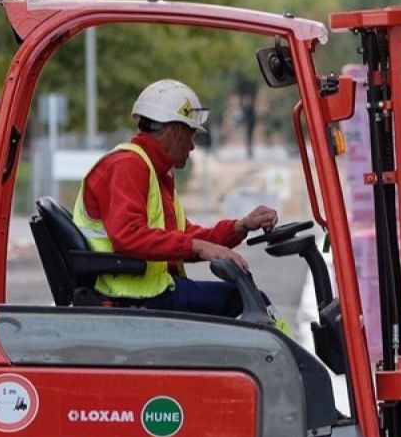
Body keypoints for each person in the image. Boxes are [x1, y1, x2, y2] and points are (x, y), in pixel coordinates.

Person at [72, 79, 282, 323]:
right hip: (136, 296)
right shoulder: (128, 166)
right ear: (175, 131)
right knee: (252, 300)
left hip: (151, 291)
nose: (192, 146)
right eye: (191, 135)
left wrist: (240, 226)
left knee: (247, 297)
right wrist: (199, 247)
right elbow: (128, 235)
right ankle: (293, 361)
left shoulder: (153, 170)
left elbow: (184, 235)